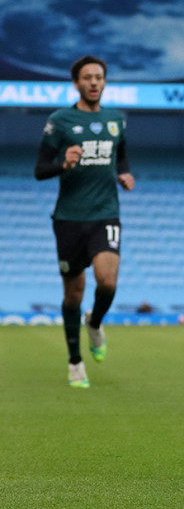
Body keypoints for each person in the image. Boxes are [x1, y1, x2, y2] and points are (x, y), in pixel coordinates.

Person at [34, 55, 134, 389]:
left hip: (105, 212)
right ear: (76, 83)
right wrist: (63, 163)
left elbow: (120, 153)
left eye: (99, 77)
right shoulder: (60, 121)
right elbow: (39, 170)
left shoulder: (115, 119)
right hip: (69, 219)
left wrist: (124, 172)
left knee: (107, 281)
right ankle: (75, 362)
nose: (93, 82)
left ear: (105, 82)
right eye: (87, 77)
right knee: (73, 295)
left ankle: (96, 322)